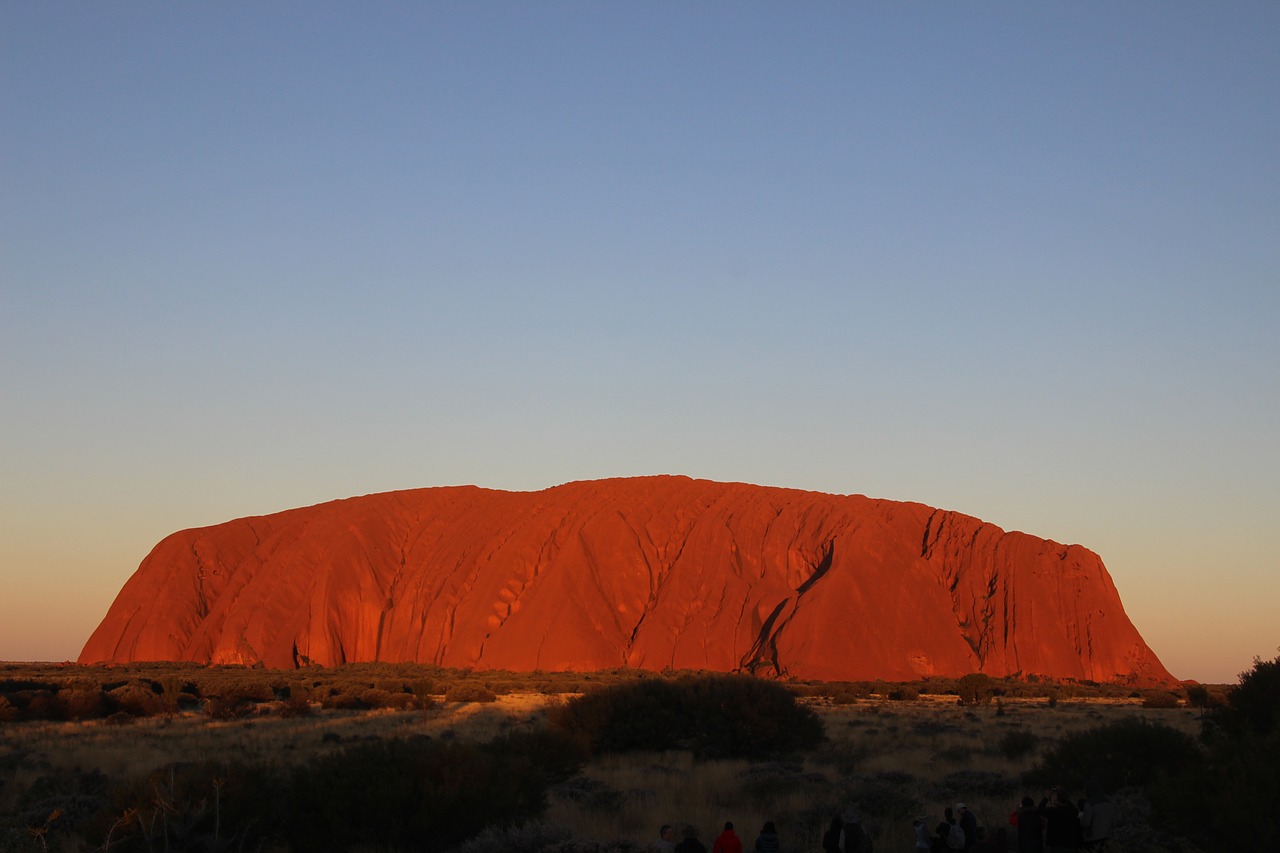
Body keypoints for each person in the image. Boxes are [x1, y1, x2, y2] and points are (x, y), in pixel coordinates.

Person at [1078, 783, 1115, 849]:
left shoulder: (1089, 803)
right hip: (1106, 837)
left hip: (1092, 839)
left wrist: (1080, 818)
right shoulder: (1109, 802)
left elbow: (1085, 823)